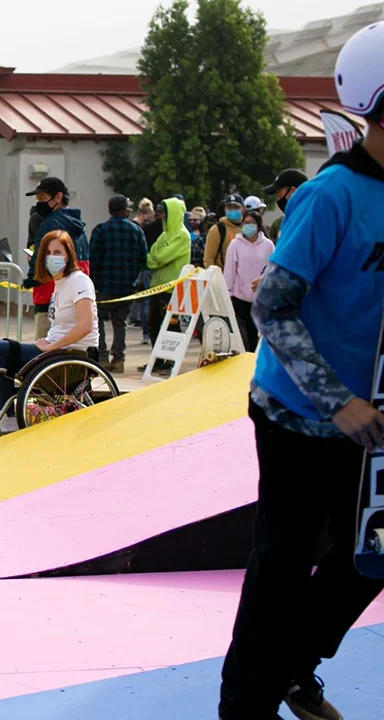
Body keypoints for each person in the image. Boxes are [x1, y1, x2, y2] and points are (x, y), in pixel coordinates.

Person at [218, 23, 384, 720]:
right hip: (297, 414)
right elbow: (274, 311)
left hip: (366, 415)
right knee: (280, 569)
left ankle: (293, 667)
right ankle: (245, 706)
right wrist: (337, 400)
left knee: (369, 559)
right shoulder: (332, 196)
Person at [0, 230, 98, 438]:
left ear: (69, 255)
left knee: (2, 349)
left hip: (73, 355)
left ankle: (8, 417)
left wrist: (52, 346)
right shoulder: (60, 283)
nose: (52, 257)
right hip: (57, 350)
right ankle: (2, 414)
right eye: (48, 252)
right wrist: (47, 341)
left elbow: (86, 325)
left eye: (58, 252)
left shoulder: (78, 281)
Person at [89, 195, 148, 374]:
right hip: (127, 288)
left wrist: (94, 281)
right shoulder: (136, 231)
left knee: (98, 319)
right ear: (125, 210)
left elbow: (93, 258)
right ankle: (119, 359)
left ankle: (102, 357)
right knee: (120, 322)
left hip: (104, 287)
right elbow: (143, 259)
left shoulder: (100, 230)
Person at [24, 177, 89, 341]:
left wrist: (30, 280)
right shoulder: (79, 228)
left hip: (48, 296)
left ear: (58, 197)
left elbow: (39, 257)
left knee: (45, 348)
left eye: (44, 199)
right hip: (75, 298)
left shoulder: (49, 224)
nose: (39, 204)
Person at [140, 198, 191, 374]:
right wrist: (155, 260)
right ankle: (158, 359)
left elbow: (159, 258)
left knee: (171, 326)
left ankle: (171, 361)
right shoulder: (165, 235)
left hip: (171, 290)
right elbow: (152, 255)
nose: (161, 216)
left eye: (164, 213)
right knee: (153, 324)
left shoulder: (182, 235)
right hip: (157, 287)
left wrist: (155, 260)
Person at [223, 209, 273, 353]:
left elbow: (272, 269)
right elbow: (229, 271)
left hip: (260, 301)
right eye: (245, 223)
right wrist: (228, 294)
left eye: (251, 223)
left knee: (256, 341)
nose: (248, 226)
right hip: (240, 301)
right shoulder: (235, 245)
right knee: (242, 342)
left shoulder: (268, 245)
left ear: (258, 225)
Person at [263, 168, 309, 245]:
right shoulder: (280, 224)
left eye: (280, 194)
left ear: (293, 192)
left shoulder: (314, 222)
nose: (278, 200)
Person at [204, 193, 246, 270]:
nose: (232, 210)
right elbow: (209, 257)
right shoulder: (217, 229)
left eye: (236, 207)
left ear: (243, 209)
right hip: (223, 277)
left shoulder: (246, 228)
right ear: (225, 209)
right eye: (229, 207)